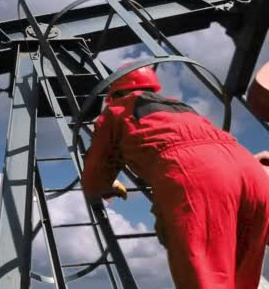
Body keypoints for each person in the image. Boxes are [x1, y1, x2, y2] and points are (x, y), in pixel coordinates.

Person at [80, 63, 269, 289]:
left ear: (115, 92)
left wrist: (99, 189)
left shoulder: (118, 109)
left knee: (206, 277)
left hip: (198, 174)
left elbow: (97, 169)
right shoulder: (180, 107)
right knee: (244, 279)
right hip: (251, 170)